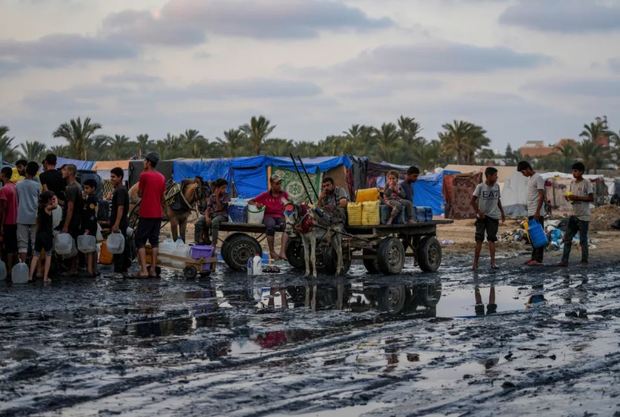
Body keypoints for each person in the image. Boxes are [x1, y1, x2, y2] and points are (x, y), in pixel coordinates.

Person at [136, 152, 166, 278]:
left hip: (146, 212)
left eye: (145, 161)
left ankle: (143, 270)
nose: (144, 163)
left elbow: (139, 193)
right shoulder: (162, 177)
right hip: (157, 213)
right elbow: (162, 196)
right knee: (154, 241)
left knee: (139, 240)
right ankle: (153, 269)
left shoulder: (144, 175)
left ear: (148, 162)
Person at [559, 162, 593, 267]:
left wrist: (577, 198)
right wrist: (568, 197)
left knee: (583, 240)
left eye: (576, 171)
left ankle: (584, 261)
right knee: (567, 238)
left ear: (581, 172)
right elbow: (571, 197)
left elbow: (591, 198)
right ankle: (564, 261)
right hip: (574, 215)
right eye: (573, 171)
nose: (574, 173)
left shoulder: (587, 183)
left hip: (583, 216)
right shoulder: (572, 183)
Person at [471, 167, 505, 270]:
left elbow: (497, 200)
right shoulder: (480, 187)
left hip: (493, 217)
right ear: (489, 176)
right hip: (482, 218)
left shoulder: (497, 186)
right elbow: (472, 201)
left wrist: (502, 212)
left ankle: (493, 263)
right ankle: (475, 264)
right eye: (495, 175)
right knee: (479, 240)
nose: (496, 177)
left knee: (491, 239)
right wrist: (479, 212)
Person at [249, 174, 289, 261]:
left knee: (286, 227)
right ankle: (272, 251)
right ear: (271, 184)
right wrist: (257, 204)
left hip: (280, 216)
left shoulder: (283, 194)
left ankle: (282, 252)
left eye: (280, 183)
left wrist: (289, 206)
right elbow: (251, 201)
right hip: (268, 216)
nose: (279, 185)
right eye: (277, 183)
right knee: (270, 226)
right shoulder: (265, 195)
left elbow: (287, 205)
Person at [517, 161, 546, 266]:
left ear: (528, 168)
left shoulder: (538, 178)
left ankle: (538, 259)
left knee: (538, 236)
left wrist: (537, 211)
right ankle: (533, 258)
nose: (523, 174)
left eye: (523, 172)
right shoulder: (530, 179)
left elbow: (541, 195)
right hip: (531, 211)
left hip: (537, 212)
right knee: (533, 236)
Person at [29, 191, 57, 283]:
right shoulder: (47, 208)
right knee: (49, 255)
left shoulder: (40, 208)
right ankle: (45, 278)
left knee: (35, 255)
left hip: (39, 234)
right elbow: (55, 206)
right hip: (47, 235)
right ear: (48, 199)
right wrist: (55, 198)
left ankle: (30, 276)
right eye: (51, 199)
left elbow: (37, 222)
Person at [16, 161, 41, 262]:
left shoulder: (18, 185)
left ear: (26, 170)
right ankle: (35, 269)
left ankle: (23, 266)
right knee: (35, 243)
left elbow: (17, 200)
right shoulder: (37, 185)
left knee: (22, 244)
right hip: (35, 216)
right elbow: (40, 201)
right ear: (35, 173)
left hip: (21, 216)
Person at [61, 164, 83, 276]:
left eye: (64, 170)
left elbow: (70, 208)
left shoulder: (71, 187)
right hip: (77, 219)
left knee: (72, 243)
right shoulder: (78, 186)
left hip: (72, 220)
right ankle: (74, 267)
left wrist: (65, 225)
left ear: (70, 172)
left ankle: (73, 268)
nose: (62, 172)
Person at [109, 167, 130, 274]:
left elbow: (120, 208)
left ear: (120, 177)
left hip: (120, 223)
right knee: (120, 246)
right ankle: (122, 270)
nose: (111, 179)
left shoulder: (121, 190)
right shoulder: (119, 189)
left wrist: (116, 224)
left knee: (119, 247)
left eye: (113, 177)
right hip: (120, 222)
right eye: (111, 176)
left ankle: (119, 271)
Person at [201, 178, 230, 251]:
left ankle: (213, 243)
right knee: (200, 221)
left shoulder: (226, 196)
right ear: (217, 188)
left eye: (225, 188)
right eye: (223, 188)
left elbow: (220, 208)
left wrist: (217, 196)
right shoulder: (211, 196)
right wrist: (207, 217)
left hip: (222, 215)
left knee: (214, 221)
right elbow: (208, 208)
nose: (224, 190)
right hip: (213, 215)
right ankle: (201, 240)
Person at [0, 167, 18, 271]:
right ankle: (15, 268)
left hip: (7, 222)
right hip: (16, 221)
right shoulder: (14, 186)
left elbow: (3, 209)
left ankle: (10, 270)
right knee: (14, 246)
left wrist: (1, 225)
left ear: (3, 175)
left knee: (9, 247)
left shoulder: (4, 189)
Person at [81, 179, 98, 277]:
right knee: (92, 247)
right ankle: (93, 269)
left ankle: (90, 270)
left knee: (89, 248)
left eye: (87, 188)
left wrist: (87, 228)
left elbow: (91, 215)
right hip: (91, 225)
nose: (85, 190)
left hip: (89, 226)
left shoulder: (91, 199)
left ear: (93, 188)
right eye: (84, 188)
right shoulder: (90, 198)